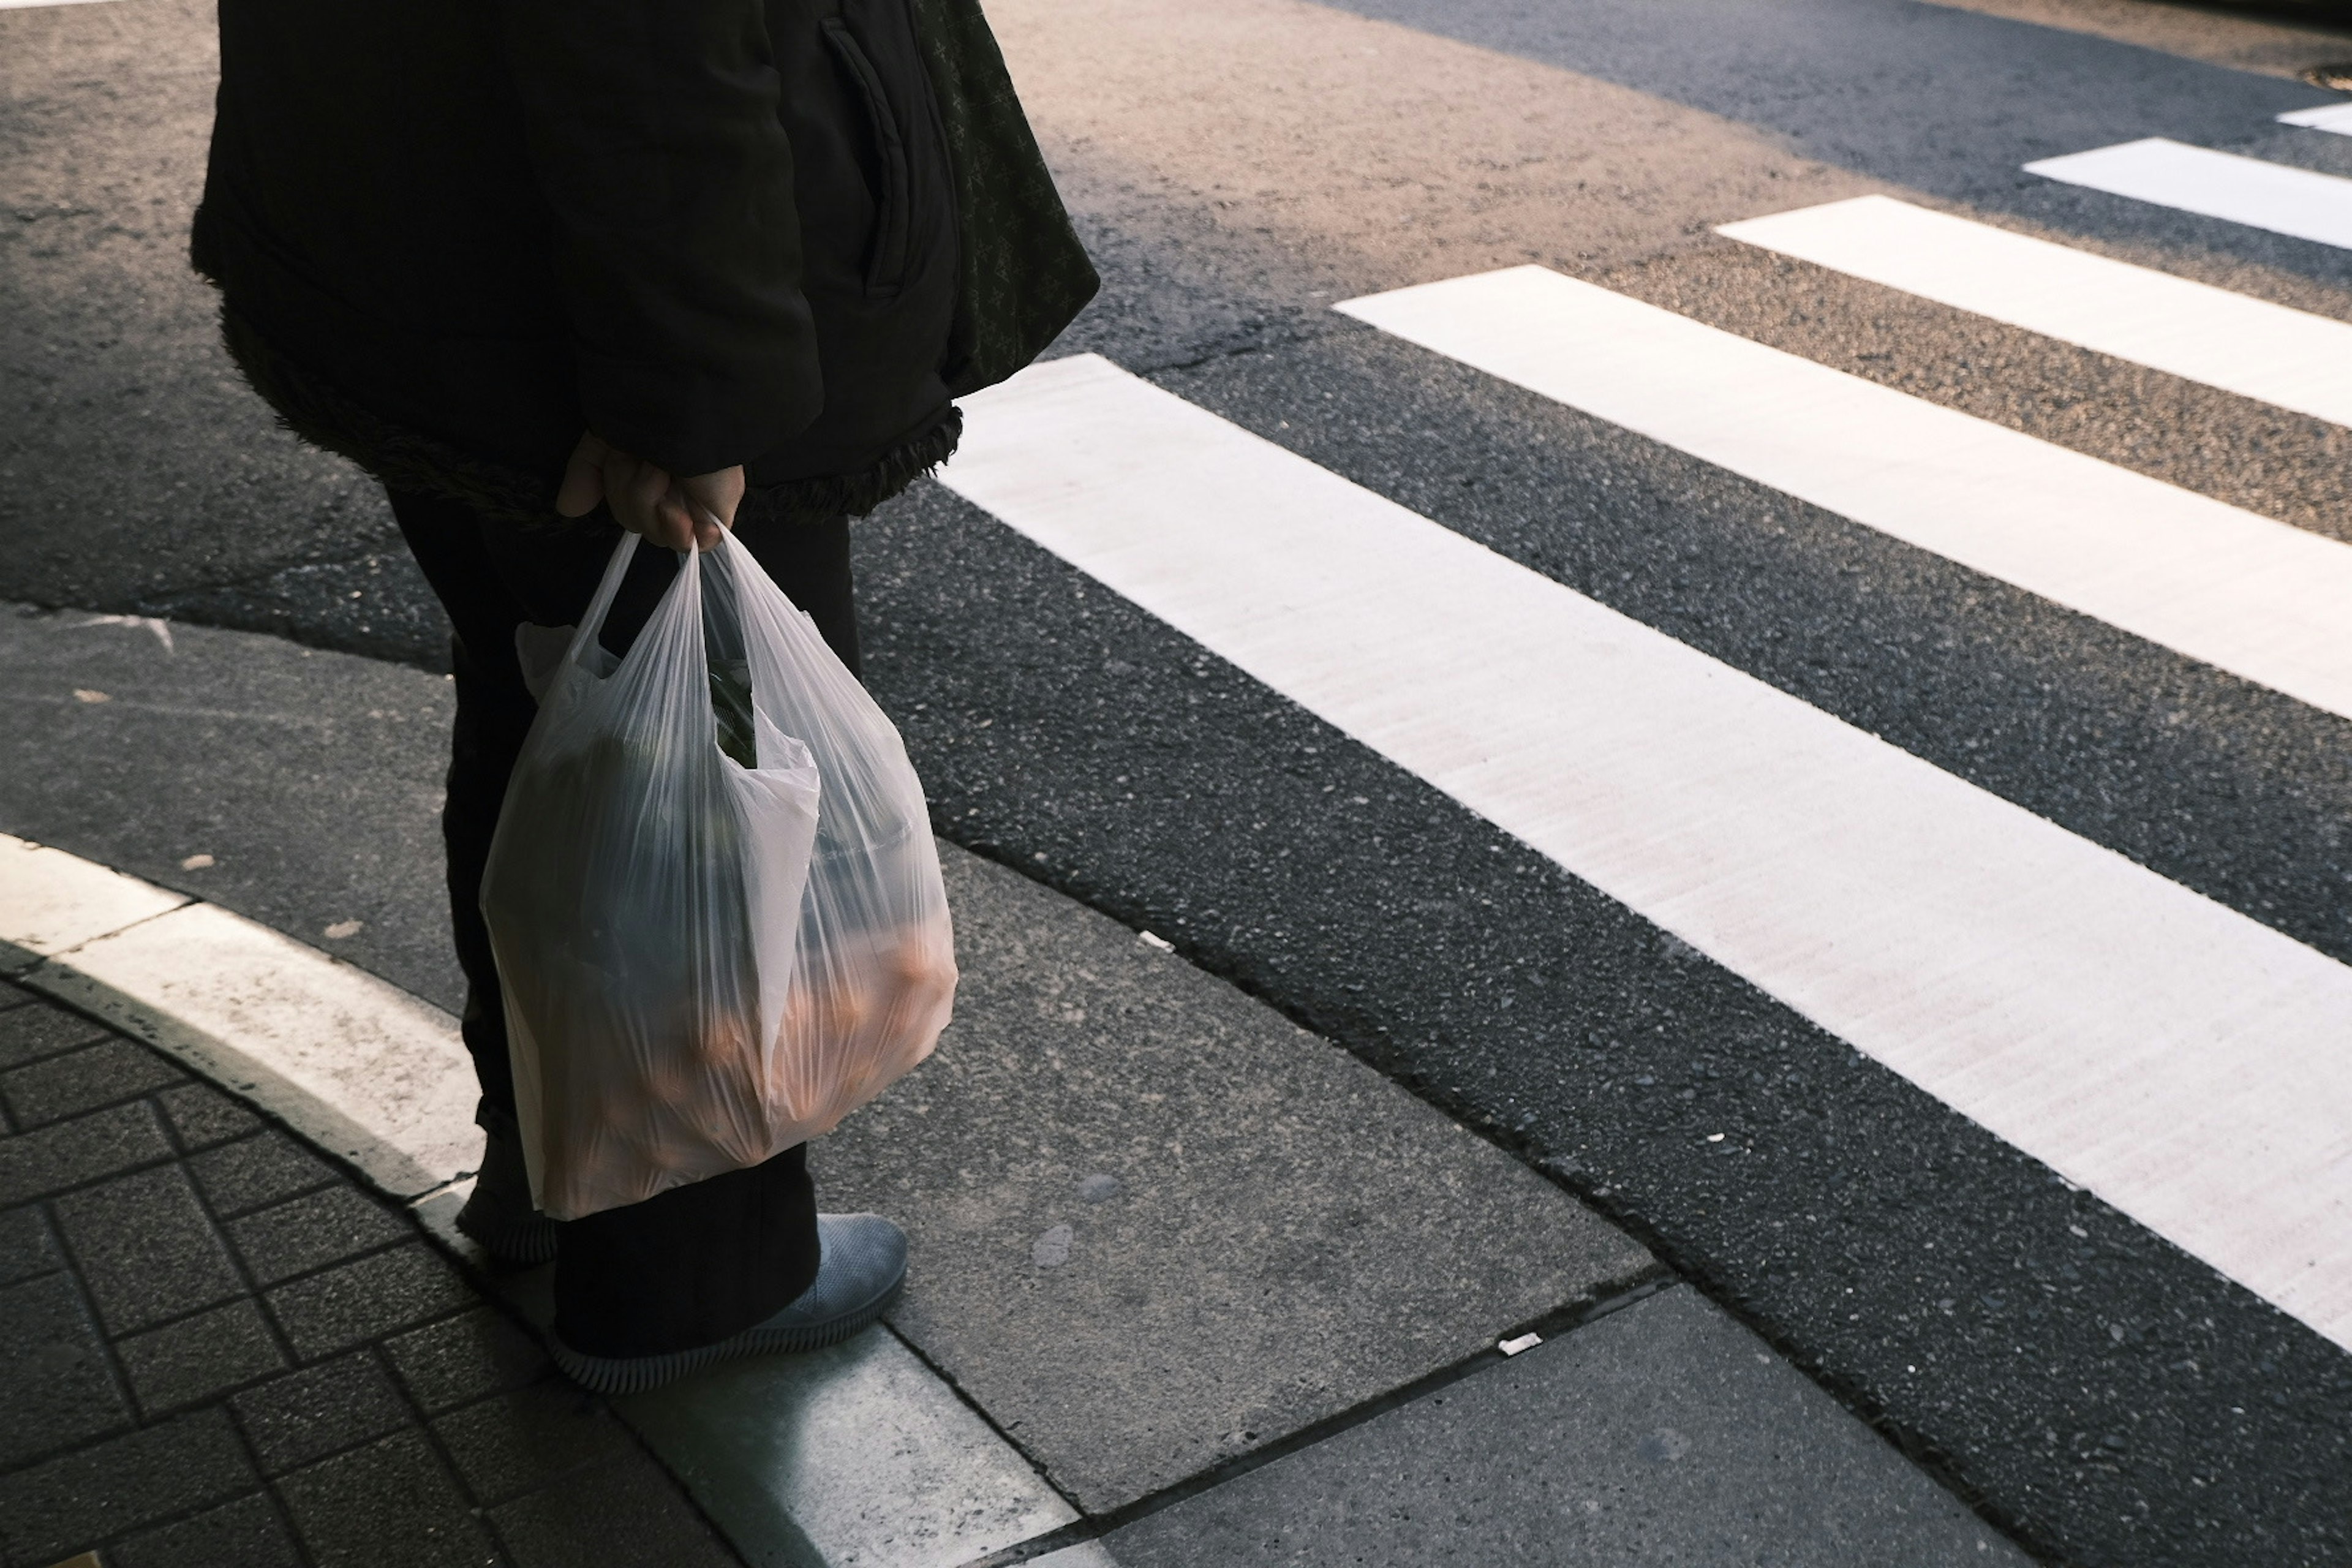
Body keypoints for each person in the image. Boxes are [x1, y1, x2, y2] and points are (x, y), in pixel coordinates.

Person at [191, 0, 1095, 1393]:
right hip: (589, 316)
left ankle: (554, 1162)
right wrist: (689, 400)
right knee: (701, 781)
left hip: (404, 225)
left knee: (554, 717)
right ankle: (690, 1276)